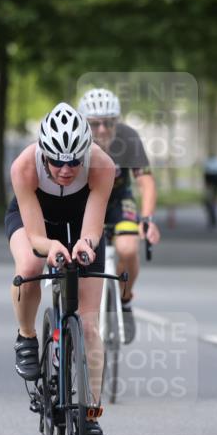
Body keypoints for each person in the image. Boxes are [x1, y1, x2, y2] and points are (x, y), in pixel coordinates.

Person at [6, 103, 114, 435]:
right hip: (36, 220)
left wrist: (85, 245)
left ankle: (91, 415)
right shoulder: (24, 167)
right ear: (44, 154)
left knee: (88, 324)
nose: (66, 170)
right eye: (57, 162)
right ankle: (26, 335)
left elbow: (93, 229)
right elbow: (37, 237)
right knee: (30, 266)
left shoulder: (102, 166)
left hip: (81, 219)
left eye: (74, 162)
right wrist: (50, 247)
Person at [77, 88, 160, 344]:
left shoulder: (129, 137)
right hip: (83, 201)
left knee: (127, 248)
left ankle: (124, 301)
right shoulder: (75, 139)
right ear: (84, 123)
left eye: (109, 123)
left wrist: (146, 219)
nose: (102, 129)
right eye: (95, 124)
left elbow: (145, 181)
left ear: (118, 121)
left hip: (117, 200)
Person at [202, 155, 217, 229]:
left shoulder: (211, 163)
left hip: (213, 185)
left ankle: (213, 217)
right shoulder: (215, 163)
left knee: (211, 201)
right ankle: (212, 217)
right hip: (212, 185)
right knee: (210, 202)